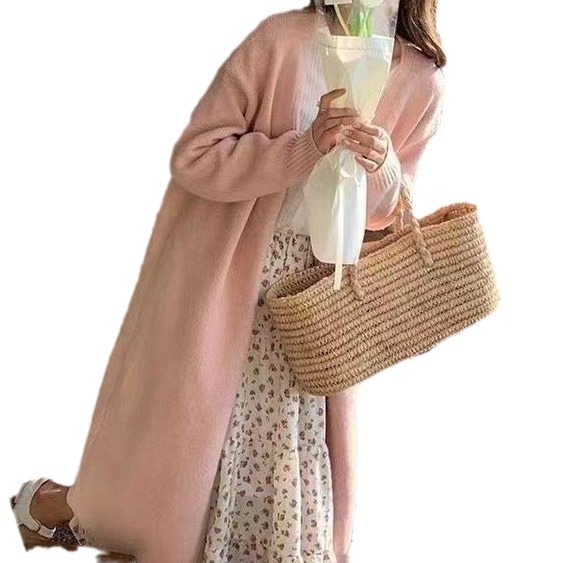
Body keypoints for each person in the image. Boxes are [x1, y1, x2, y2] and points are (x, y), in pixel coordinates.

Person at [10, 1, 446, 562]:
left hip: (322, 293)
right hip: (236, 275)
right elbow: (196, 157)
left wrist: (381, 164)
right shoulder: (282, 41)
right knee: (195, 446)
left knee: (294, 438)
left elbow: (389, 213)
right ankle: (52, 509)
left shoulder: (420, 78)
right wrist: (305, 147)